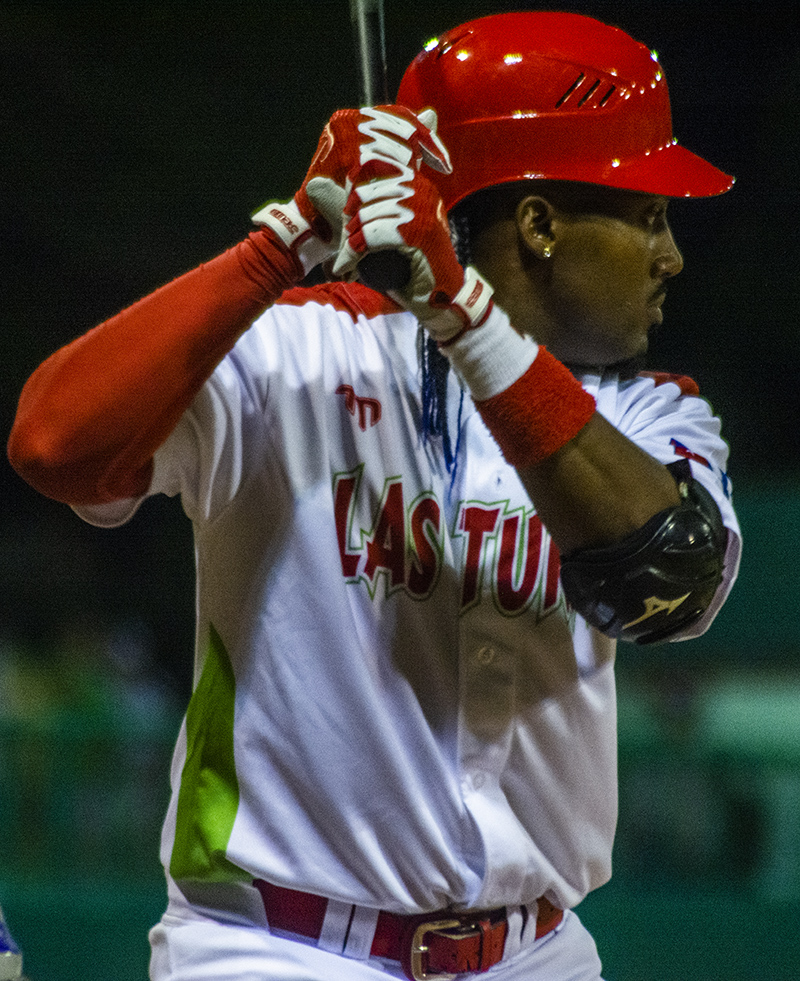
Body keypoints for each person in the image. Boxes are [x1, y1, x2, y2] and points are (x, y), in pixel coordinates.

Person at [7, 11, 741, 981]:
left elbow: (661, 580)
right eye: (644, 215)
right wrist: (285, 242)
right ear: (537, 224)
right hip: (279, 947)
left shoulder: (648, 418)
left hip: (536, 950)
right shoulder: (296, 353)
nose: (669, 255)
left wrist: (462, 315)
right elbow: (56, 446)